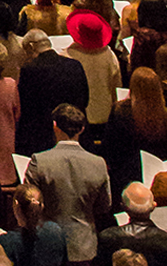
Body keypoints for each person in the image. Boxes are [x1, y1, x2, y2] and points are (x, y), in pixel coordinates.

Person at [27, 104, 113, 266]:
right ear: (82, 129)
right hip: (84, 245)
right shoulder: (98, 163)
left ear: (55, 126)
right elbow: (105, 206)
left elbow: (30, 205)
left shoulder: (39, 160)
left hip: (47, 242)